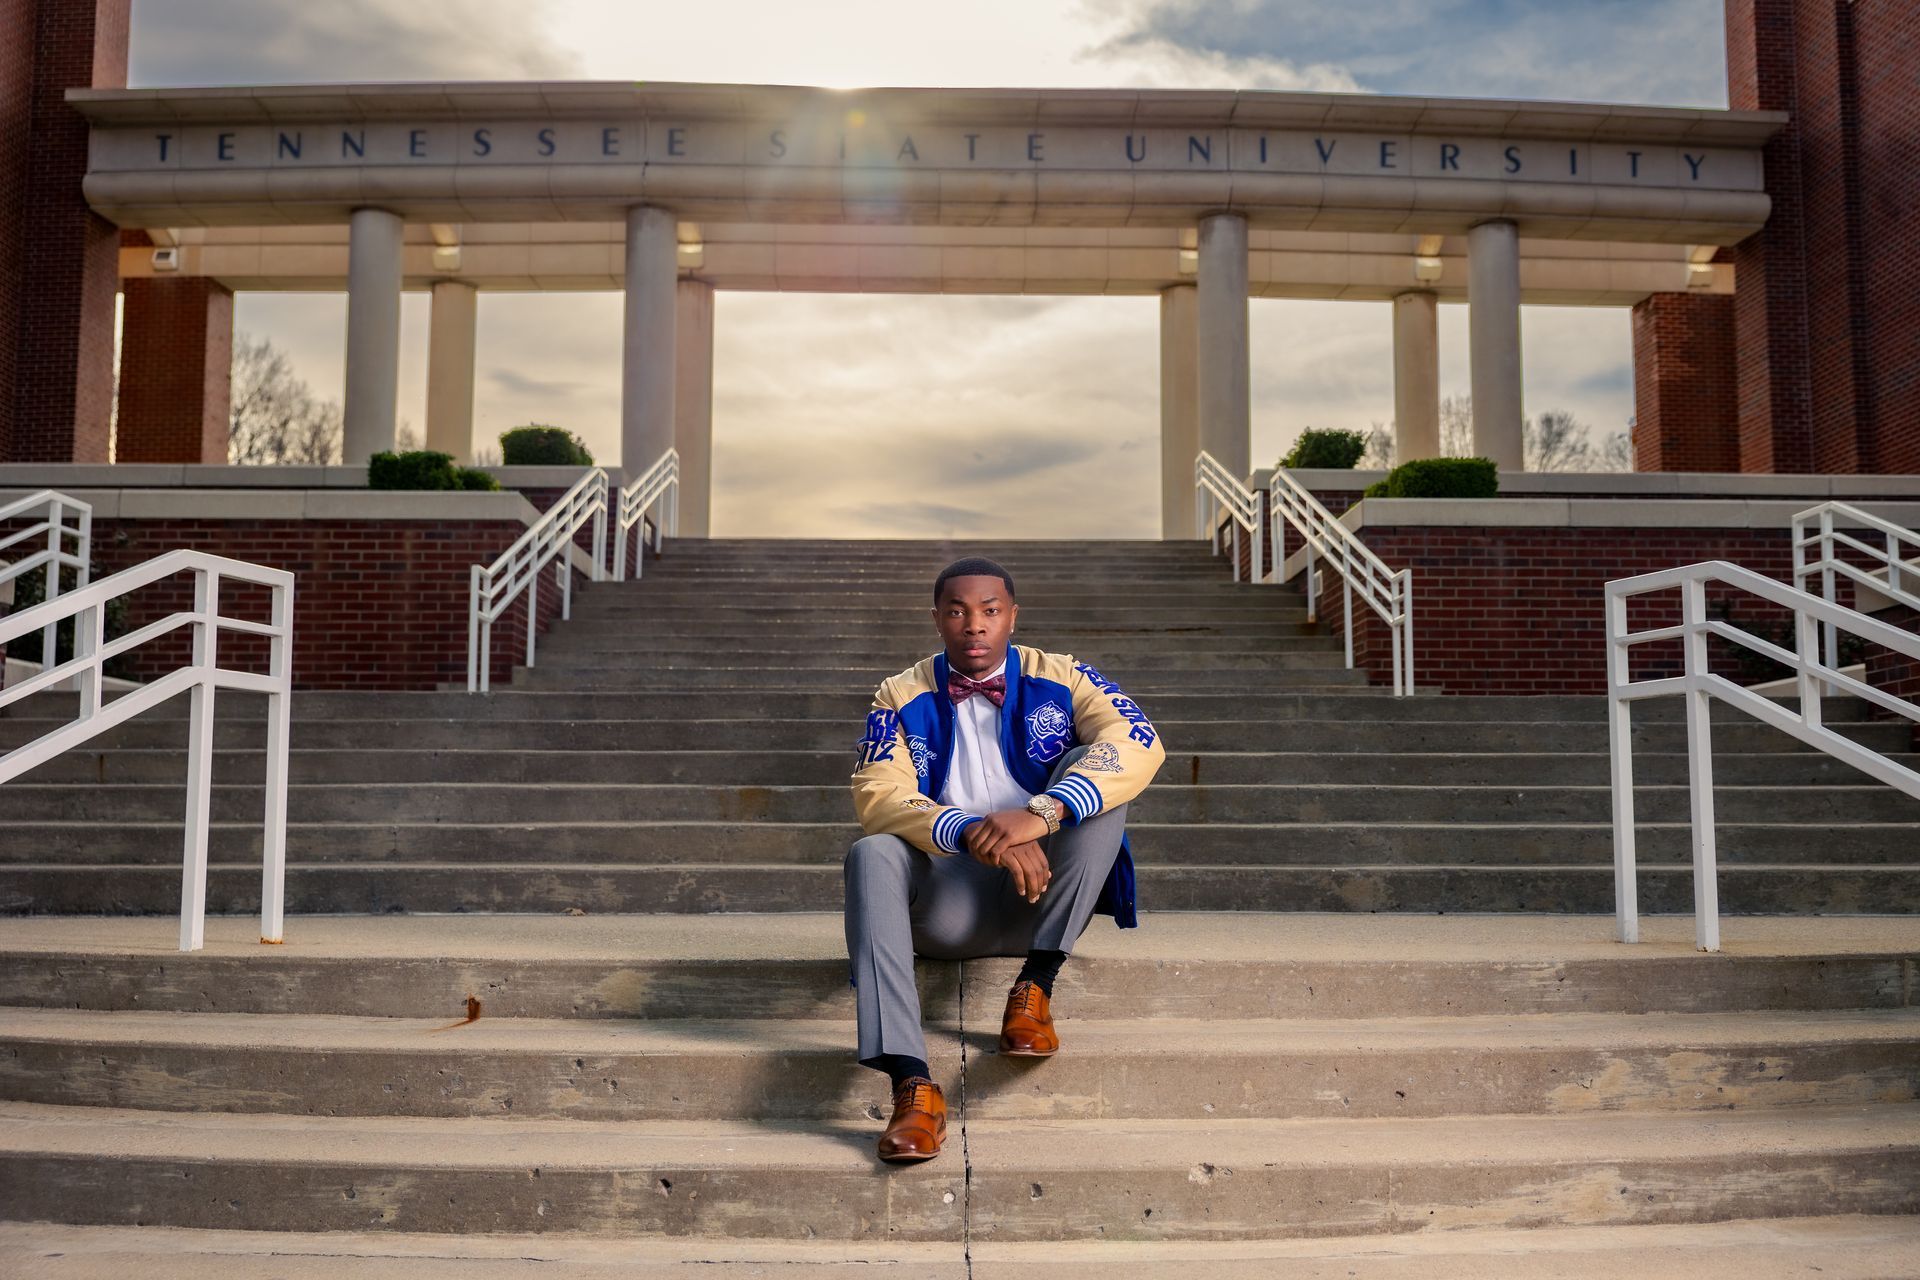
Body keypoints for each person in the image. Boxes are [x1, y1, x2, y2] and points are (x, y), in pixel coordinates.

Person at [844, 556, 1166, 1162]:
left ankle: (1034, 989)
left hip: (1041, 895)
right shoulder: (900, 693)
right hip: (949, 903)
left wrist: (1041, 814)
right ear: (937, 618)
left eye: (990, 611)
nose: (974, 625)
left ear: (1012, 617)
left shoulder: (1065, 676)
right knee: (872, 852)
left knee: (1097, 786)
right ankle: (913, 1086)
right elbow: (877, 794)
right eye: (958, 611)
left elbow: (1139, 741)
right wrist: (971, 830)